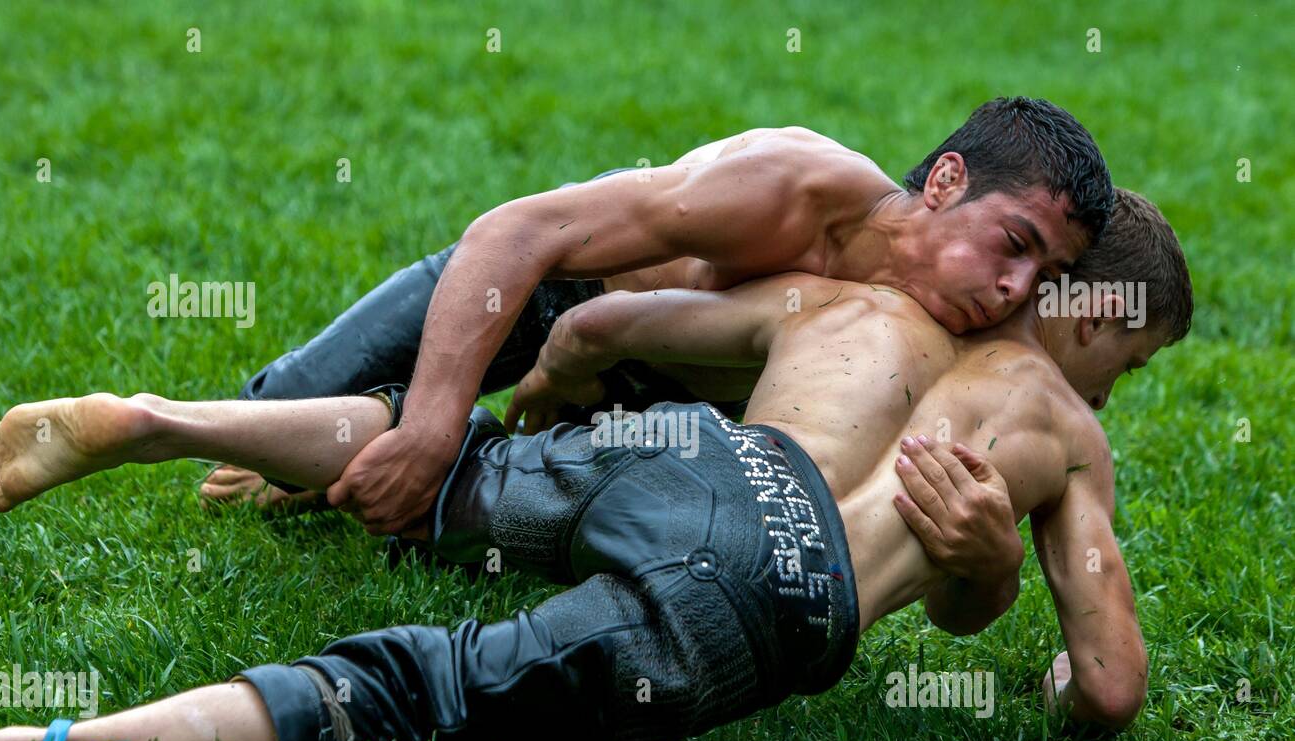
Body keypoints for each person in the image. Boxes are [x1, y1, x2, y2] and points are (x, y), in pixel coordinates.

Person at [0, 189, 1189, 741]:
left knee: (442, 458)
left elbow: (603, 319)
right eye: (1125, 365)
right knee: (415, 691)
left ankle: (160, 419)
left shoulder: (859, 307)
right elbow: (1111, 684)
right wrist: (1035, 656)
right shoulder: (1067, 435)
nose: (1114, 392)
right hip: (780, 571)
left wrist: (551, 410)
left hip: (679, 452)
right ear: (1093, 314)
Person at [204, 97, 1113, 541]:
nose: (1014, 289)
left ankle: (356, 444)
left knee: (406, 516)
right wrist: (433, 429)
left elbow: (1044, 458)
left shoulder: (978, 329)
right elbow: (517, 232)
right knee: (269, 410)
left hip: (662, 410)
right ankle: (369, 427)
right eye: (1013, 243)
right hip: (556, 301)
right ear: (947, 181)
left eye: (1047, 273)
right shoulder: (792, 189)